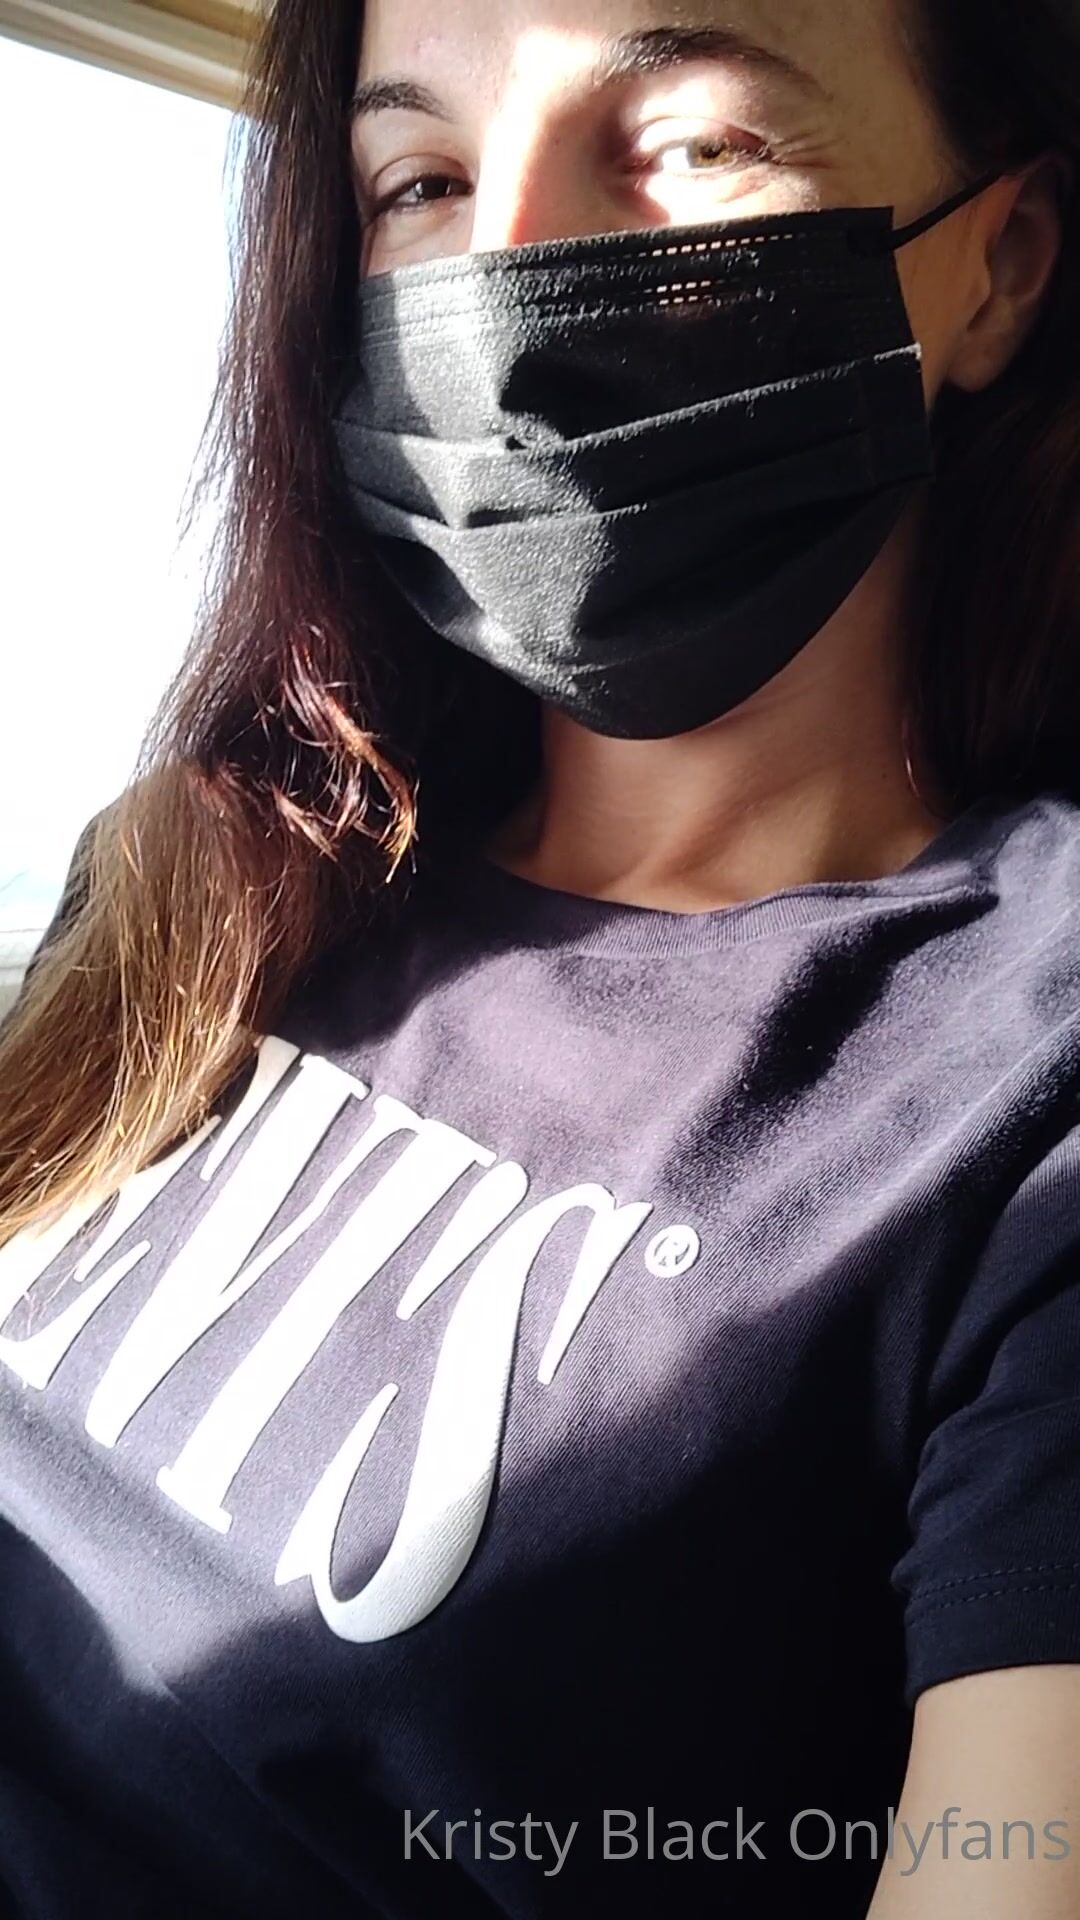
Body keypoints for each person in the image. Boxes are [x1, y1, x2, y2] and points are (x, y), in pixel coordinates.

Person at [1, 0, 1079, 1914]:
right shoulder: (214, 868)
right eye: (417, 180)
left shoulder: (1025, 1081)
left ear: (998, 265)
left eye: (694, 145)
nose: (500, 275)